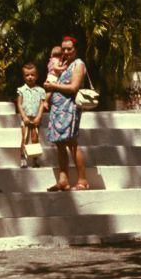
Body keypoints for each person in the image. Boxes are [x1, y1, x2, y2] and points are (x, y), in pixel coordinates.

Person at [44, 35, 90, 191]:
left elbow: (73, 88)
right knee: (60, 144)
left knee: (72, 143)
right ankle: (63, 180)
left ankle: (82, 180)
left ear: (75, 49)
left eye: (69, 49)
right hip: (57, 108)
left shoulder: (78, 64)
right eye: (63, 49)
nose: (66, 51)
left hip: (70, 107)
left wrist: (53, 86)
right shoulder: (62, 64)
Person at [15, 63, 46, 168]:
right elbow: (19, 104)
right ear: (24, 76)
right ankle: (23, 158)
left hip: (35, 118)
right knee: (25, 138)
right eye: (27, 75)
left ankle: (35, 159)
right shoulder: (21, 90)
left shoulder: (41, 90)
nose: (30, 77)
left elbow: (42, 105)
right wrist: (24, 116)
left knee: (35, 139)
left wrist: (39, 117)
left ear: (37, 76)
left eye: (32, 75)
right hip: (26, 118)